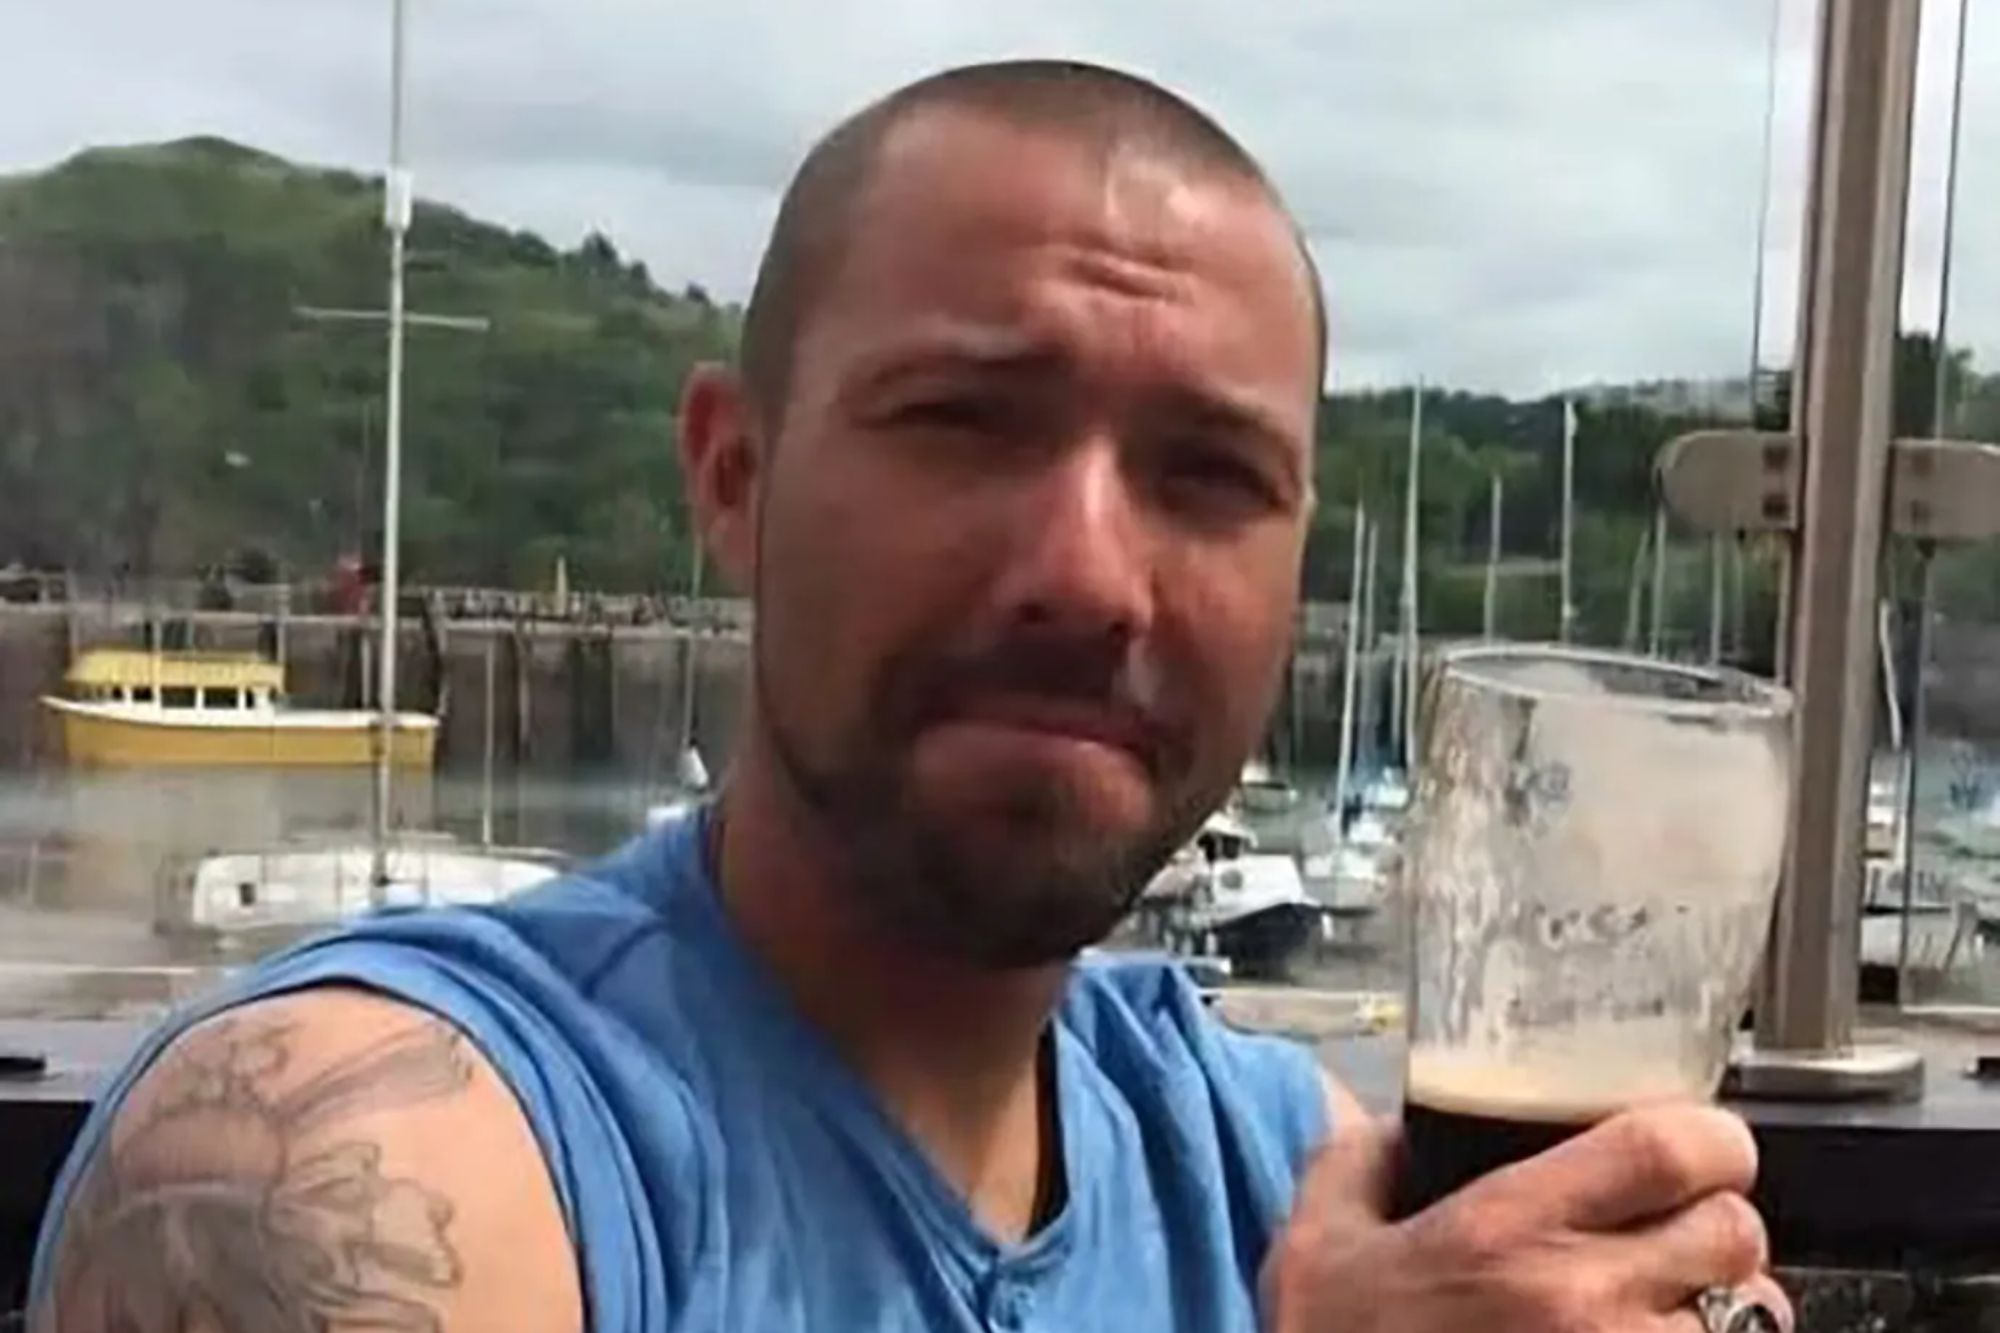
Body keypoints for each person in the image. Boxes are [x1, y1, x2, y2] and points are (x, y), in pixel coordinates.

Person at [29, 60, 1788, 1333]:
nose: (1090, 573)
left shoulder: (1276, 1174)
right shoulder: (362, 1145)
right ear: (734, 477)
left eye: (1207, 474)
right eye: (966, 423)